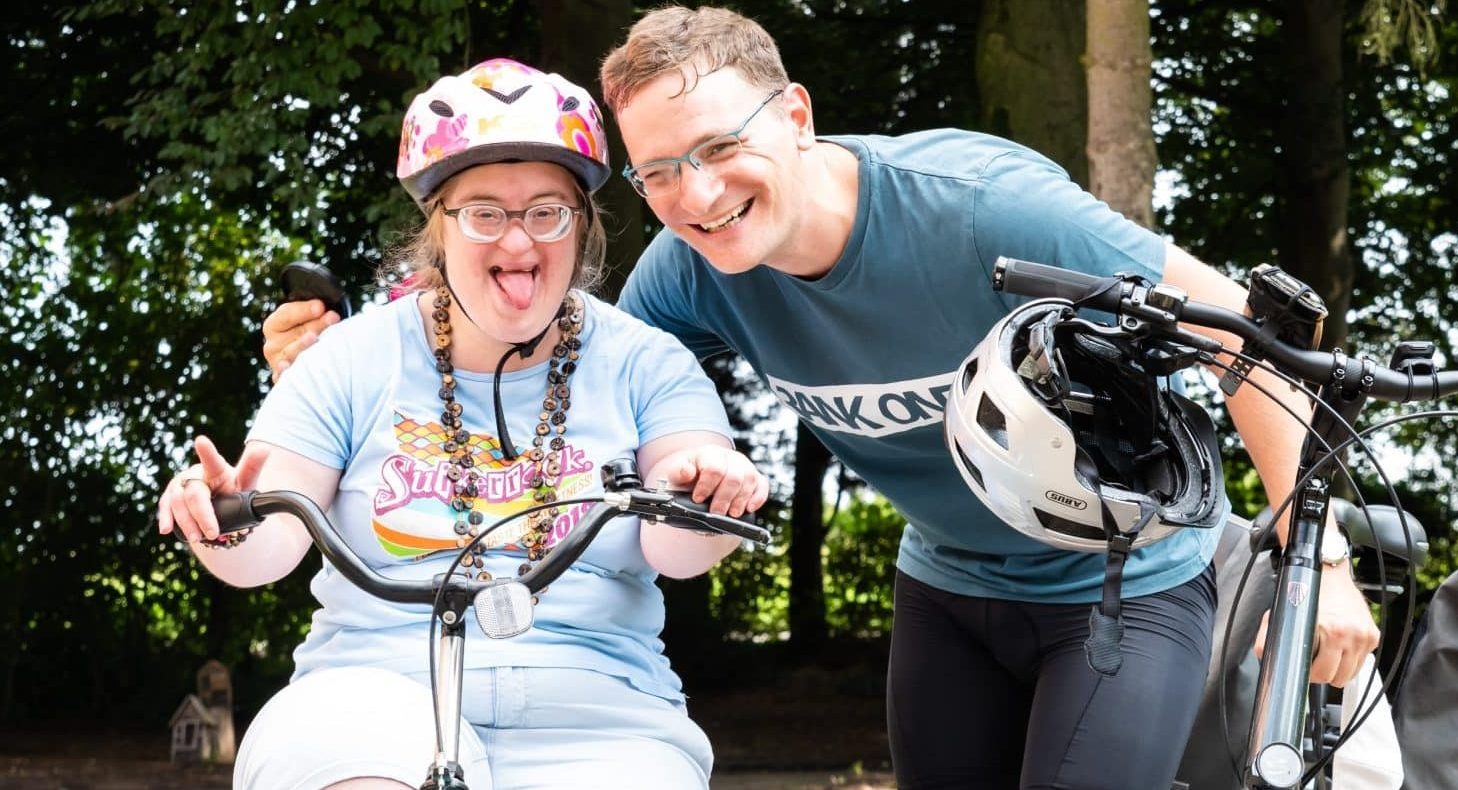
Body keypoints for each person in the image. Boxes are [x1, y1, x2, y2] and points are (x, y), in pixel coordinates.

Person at [263, 8, 1379, 788]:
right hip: (945, 588)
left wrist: (1313, 560)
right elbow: (548, 348)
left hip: (1121, 582)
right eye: (658, 172)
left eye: (719, 146)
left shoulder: (982, 210)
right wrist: (356, 352)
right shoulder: (688, 273)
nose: (695, 193)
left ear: (793, 114)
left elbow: (1256, 337)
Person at [161, 58, 767, 790]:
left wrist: (707, 491)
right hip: (371, 691)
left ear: (584, 227)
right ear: (437, 228)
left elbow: (677, 550)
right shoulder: (348, 360)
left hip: (600, 710)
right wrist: (218, 519)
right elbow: (265, 547)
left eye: (547, 212)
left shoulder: (648, 362)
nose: (519, 242)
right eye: (484, 213)